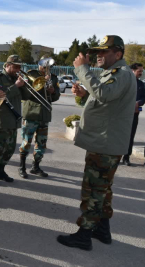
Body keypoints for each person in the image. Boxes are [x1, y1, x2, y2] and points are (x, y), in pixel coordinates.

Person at [57, 35, 136, 251]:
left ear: (118, 54)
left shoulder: (121, 74)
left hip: (105, 145)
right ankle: (102, 230)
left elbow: (103, 93)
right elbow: (104, 101)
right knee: (103, 190)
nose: (98, 56)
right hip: (104, 142)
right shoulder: (113, 74)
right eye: (97, 52)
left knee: (93, 191)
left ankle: (84, 235)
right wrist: (84, 94)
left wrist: (83, 69)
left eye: (104, 52)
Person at [0, 55, 30, 184]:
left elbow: (26, 96)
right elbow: (1, 96)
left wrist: (24, 85)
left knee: (10, 148)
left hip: (14, 119)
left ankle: (1, 170)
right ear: (7, 66)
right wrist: (15, 86)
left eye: (19, 67)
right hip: (2, 119)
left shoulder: (16, 79)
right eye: (15, 66)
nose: (18, 69)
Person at [18, 54, 60, 178]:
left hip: (44, 115)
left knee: (41, 143)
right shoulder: (32, 74)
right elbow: (25, 93)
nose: (45, 67)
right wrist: (40, 84)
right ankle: (22, 166)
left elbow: (56, 96)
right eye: (43, 64)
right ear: (39, 63)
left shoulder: (54, 78)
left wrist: (53, 91)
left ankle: (35, 166)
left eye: (48, 64)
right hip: (31, 112)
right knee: (26, 142)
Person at [121, 63, 144, 166]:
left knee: (130, 136)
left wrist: (138, 103)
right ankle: (115, 156)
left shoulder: (141, 84)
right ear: (133, 71)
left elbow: (144, 97)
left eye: (142, 71)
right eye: (139, 71)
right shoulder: (124, 83)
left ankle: (126, 157)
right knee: (119, 136)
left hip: (134, 115)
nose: (141, 73)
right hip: (121, 114)